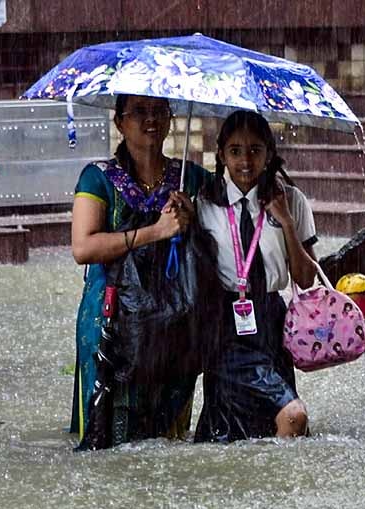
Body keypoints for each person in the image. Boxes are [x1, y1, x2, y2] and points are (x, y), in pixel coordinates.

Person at [68, 94, 211, 449]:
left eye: (159, 112)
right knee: (107, 434)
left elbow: (223, 236)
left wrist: (194, 221)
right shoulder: (97, 178)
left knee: (167, 440)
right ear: (119, 122)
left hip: (174, 318)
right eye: (139, 113)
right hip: (112, 319)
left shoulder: (190, 179)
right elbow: (83, 248)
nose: (151, 121)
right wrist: (155, 232)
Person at [194, 110, 318, 442]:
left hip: (273, 321)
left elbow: (306, 280)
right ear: (221, 154)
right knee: (291, 416)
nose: (245, 161)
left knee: (260, 429)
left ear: (269, 153)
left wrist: (287, 223)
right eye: (235, 151)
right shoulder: (204, 202)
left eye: (255, 150)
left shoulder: (292, 200)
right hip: (224, 325)